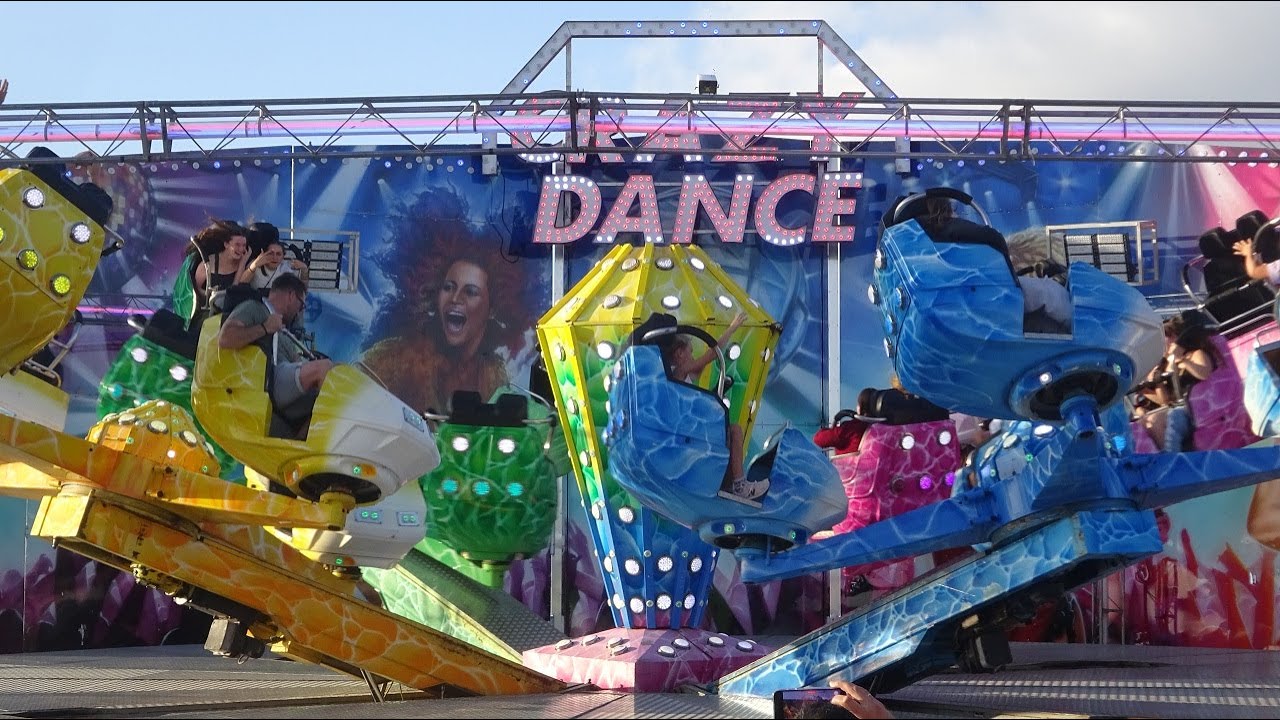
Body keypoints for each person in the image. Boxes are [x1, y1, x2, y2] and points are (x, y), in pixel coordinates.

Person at [360, 191, 538, 417]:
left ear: (492, 309)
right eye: (449, 287)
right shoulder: (394, 358)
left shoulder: (493, 373)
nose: (455, 298)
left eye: (470, 292)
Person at [657, 311, 764, 501]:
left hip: (691, 430)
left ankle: (730, 483)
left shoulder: (683, 374)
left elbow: (710, 357)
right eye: (690, 351)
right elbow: (711, 354)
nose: (693, 355)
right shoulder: (679, 371)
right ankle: (738, 484)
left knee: (730, 433)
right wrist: (731, 329)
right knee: (735, 431)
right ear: (680, 354)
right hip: (685, 434)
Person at [917, 199, 1071, 329]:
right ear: (946, 211)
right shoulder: (959, 231)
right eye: (953, 210)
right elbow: (995, 240)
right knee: (1051, 292)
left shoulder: (923, 243)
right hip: (992, 293)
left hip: (963, 299)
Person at [217, 273, 334, 426]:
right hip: (269, 380)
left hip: (283, 376)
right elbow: (225, 338)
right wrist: (264, 328)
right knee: (322, 369)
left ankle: (300, 439)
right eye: (301, 305)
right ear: (291, 296)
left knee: (334, 372)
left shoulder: (282, 326)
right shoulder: (255, 308)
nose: (299, 311)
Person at [176, 219, 250, 327]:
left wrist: (242, 264)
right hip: (206, 315)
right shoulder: (208, 264)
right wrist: (210, 294)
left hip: (227, 315)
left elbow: (234, 290)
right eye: (237, 245)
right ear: (226, 244)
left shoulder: (242, 264)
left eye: (244, 245)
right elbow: (193, 289)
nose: (241, 249)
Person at [245, 239, 310, 294]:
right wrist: (254, 266)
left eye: (278, 254)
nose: (274, 257)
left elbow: (302, 292)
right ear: (264, 253)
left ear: (283, 257)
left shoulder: (285, 269)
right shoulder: (255, 264)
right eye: (271, 253)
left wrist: (304, 270)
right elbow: (240, 285)